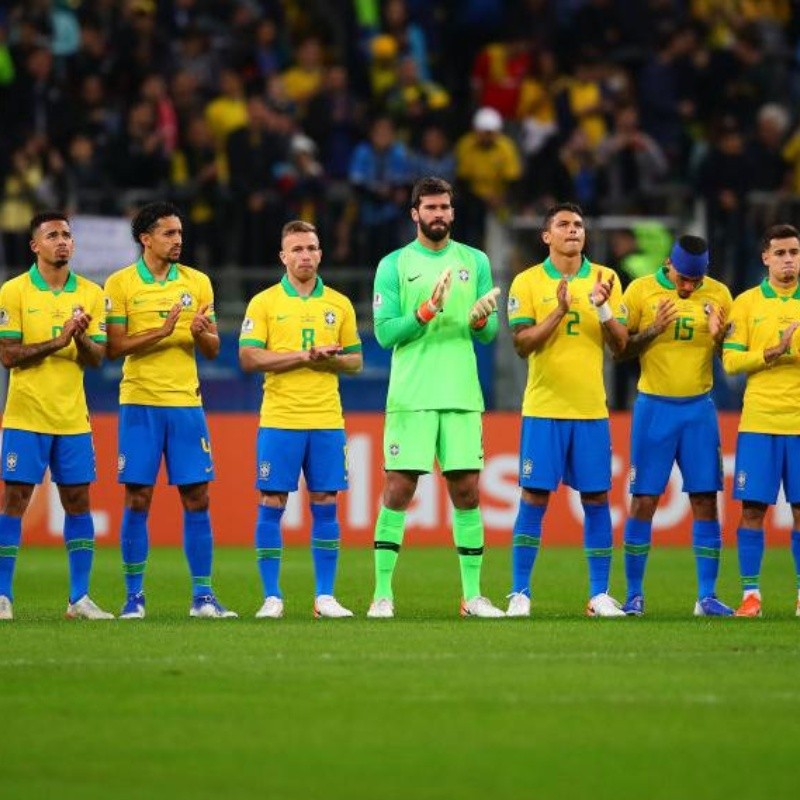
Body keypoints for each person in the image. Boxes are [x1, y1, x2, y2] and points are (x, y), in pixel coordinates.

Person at [367, 175, 504, 619]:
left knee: (466, 492)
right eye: (430, 208)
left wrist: (482, 319)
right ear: (415, 214)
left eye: (444, 207)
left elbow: (489, 335)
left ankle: (473, 596)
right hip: (412, 395)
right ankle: (382, 594)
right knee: (399, 488)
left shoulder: (475, 261)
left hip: (462, 393)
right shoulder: (393, 265)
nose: (439, 214)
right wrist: (426, 309)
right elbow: (386, 334)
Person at [104, 201, 236, 619]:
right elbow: (113, 347)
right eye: (169, 234)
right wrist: (160, 331)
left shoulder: (197, 283)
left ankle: (203, 597)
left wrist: (201, 334)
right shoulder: (120, 284)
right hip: (140, 401)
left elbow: (214, 350)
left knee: (197, 496)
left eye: (180, 233)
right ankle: (133, 598)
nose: (178, 240)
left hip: (186, 403)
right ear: (146, 238)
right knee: (138, 496)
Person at [505, 202, 628, 617]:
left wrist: (603, 307)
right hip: (544, 407)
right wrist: (558, 310)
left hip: (591, 408)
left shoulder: (606, 279)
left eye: (578, 224)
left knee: (596, 498)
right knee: (534, 496)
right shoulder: (527, 281)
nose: (573, 230)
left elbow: (622, 345)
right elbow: (522, 344)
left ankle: (599, 595)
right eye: (563, 225)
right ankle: (519, 593)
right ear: (547, 236)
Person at [239, 220, 362, 618]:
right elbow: (248, 357)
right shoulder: (264, 302)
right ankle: (272, 597)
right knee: (272, 500)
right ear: (283, 256)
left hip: (327, 419)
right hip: (280, 418)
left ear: (321, 253)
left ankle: (324, 597)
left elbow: (357, 362)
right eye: (297, 249)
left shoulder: (339, 304)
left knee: (326, 501)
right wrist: (303, 357)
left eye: (311, 248)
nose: (305, 255)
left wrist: (331, 361)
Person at [0, 212, 113, 620]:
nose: (62, 241)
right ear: (35, 245)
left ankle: (79, 599)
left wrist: (80, 336)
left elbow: (98, 358)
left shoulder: (90, 292)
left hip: (71, 418)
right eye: (52, 235)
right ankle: (2, 596)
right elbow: (8, 355)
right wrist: (59, 338)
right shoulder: (13, 292)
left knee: (78, 502)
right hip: (25, 416)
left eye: (67, 235)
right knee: (14, 500)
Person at [617, 235, 734, 616]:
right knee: (645, 501)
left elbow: (731, 359)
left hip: (699, 410)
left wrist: (720, 340)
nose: (688, 288)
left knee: (704, 500)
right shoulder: (640, 291)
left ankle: (707, 596)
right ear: (669, 263)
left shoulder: (719, 295)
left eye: (694, 282)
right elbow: (619, 350)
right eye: (683, 279)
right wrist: (652, 329)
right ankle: (634, 595)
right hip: (654, 408)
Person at [722, 223, 800, 618]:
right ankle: (751, 595)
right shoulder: (747, 303)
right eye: (781, 253)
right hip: (759, 421)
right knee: (753, 510)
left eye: (794, 253)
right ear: (765, 257)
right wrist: (772, 352)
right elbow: (731, 362)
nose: (789, 261)